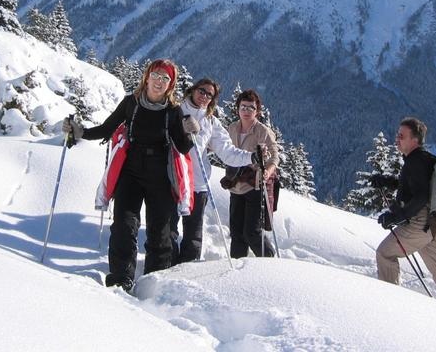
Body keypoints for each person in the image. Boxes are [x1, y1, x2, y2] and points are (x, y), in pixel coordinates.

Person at [63, 59, 194, 292]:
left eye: (165, 78)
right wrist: (79, 132)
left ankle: (155, 283)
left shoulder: (173, 112)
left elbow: (183, 148)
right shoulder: (130, 104)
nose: (159, 81)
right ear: (147, 77)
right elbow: (106, 129)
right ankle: (121, 279)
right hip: (131, 172)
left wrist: (188, 131)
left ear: (170, 85)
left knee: (160, 231)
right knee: (124, 225)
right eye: (156, 75)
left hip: (160, 175)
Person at [372, 117, 436, 311]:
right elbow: (413, 184)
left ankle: (388, 302)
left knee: (384, 254)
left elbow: (420, 196)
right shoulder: (423, 158)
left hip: (419, 224)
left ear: (415, 140)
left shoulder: (415, 162)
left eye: (402, 136)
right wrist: (386, 181)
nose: (397, 139)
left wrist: (396, 217)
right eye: (397, 134)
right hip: (433, 224)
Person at [170, 78, 255, 264]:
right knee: (167, 231)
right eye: (202, 91)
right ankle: (163, 271)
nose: (205, 96)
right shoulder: (175, 110)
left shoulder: (210, 121)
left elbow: (227, 152)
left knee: (193, 235)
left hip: (197, 184)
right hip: (172, 180)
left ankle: (187, 272)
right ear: (193, 90)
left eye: (210, 95)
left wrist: (251, 157)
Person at [223, 89, 279, 258]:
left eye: (251, 108)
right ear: (237, 108)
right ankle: (239, 269)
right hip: (235, 185)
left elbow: (275, 155)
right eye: (243, 107)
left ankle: (270, 264)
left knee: (251, 232)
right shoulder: (232, 128)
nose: (246, 111)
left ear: (257, 111)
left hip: (254, 185)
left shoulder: (262, 131)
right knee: (237, 233)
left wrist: (268, 171)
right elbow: (221, 147)